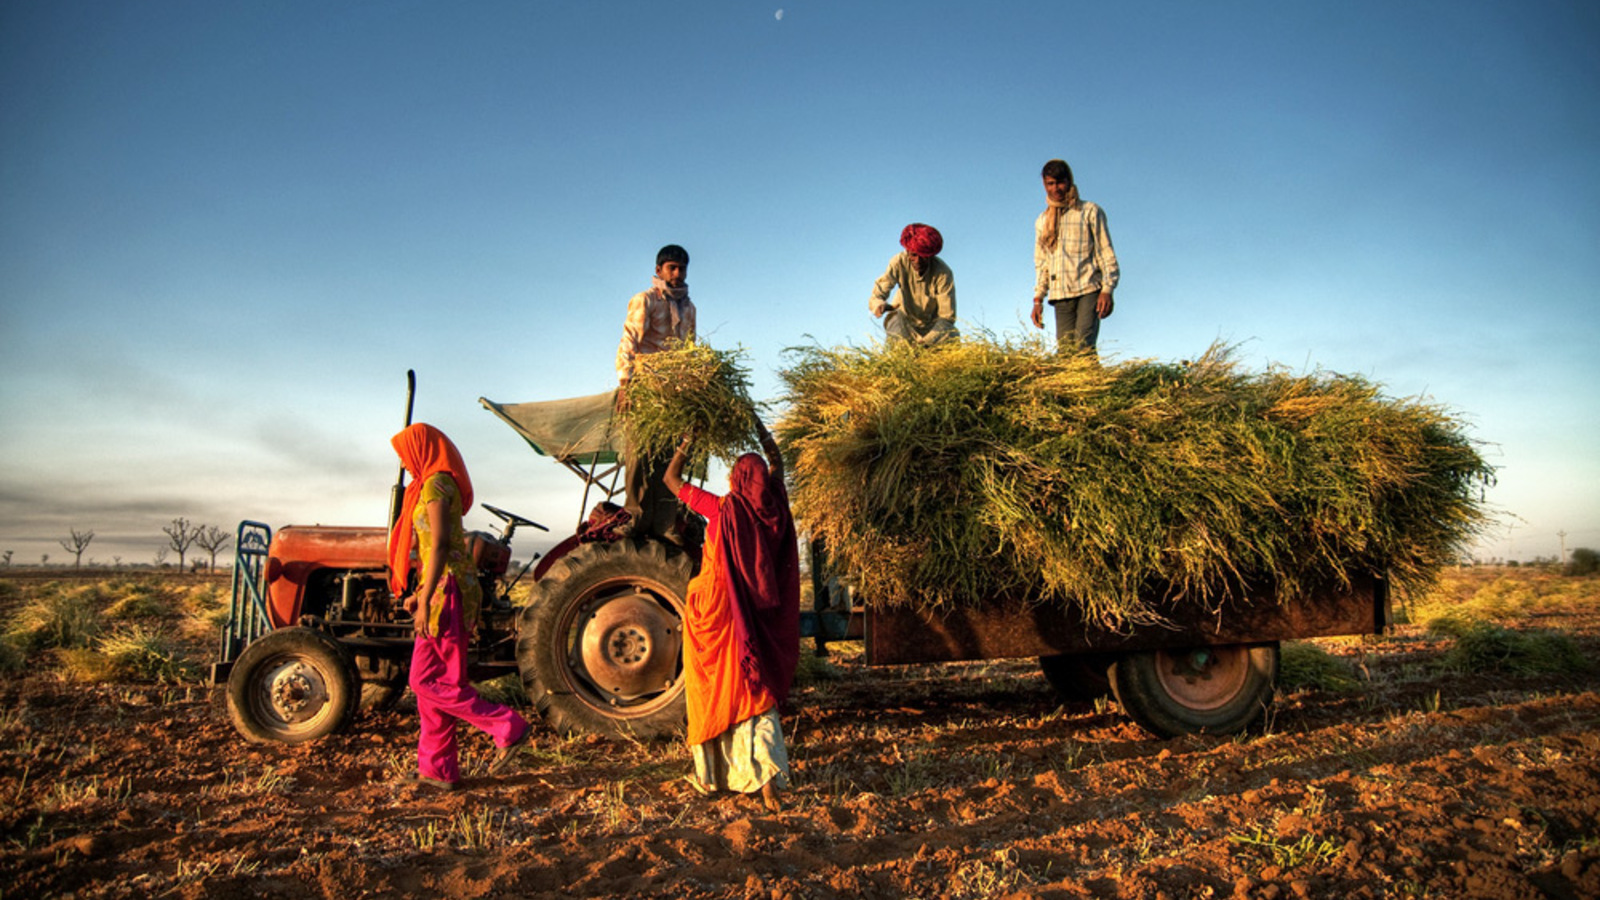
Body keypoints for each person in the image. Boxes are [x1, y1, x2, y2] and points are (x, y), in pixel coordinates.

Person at [663, 420, 800, 812]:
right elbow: (776, 462)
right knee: (755, 688)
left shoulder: (722, 507)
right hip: (753, 613)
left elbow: (671, 480)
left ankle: (715, 775)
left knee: (714, 687)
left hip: (717, 612)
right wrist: (757, 426)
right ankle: (768, 778)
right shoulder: (774, 504)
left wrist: (689, 437)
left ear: (739, 479)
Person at [389, 423, 530, 790]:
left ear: (422, 448)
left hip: (447, 591)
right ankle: (438, 770)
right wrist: (419, 592)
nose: (404, 465)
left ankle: (506, 725)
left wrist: (425, 599)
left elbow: (438, 545)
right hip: (445, 586)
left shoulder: (436, 483)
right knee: (439, 685)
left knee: (422, 680)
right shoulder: (433, 483)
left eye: (405, 454)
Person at [615, 244, 698, 540]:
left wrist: (691, 391)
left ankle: (664, 524)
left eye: (682, 269)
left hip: (672, 394)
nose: (677, 274)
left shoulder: (688, 308)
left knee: (668, 459)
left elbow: (689, 353)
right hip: (644, 388)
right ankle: (635, 518)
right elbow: (629, 342)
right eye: (671, 268)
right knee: (639, 454)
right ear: (659, 271)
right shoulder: (646, 300)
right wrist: (626, 385)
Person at [1030, 159, 1119, 352]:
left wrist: (1107, 289)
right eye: (1050, 184)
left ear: (1069, 181)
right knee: (1066, 353)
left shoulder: (1089, 212)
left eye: (1060, 182)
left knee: (1083, 347)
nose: (1056, 189)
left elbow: (1105, 252)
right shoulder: (1043, 221)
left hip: (1088, 288)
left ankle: (1095, 381)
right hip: (1060, 293)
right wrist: (1038, 299)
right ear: (1045, 185)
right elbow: (1042, 263)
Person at [869, 223, 957, 348]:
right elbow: (878, 293)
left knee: (951, 334)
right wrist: (878, 304)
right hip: (904, 321)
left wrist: (926, 342)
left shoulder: (943, 273)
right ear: (908, 252)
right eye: (913, 255)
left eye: (923, 256)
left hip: (933, 327)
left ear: (930, 256)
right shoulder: (898, 262)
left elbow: (947, 316)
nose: (918, 261)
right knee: (895, 325)